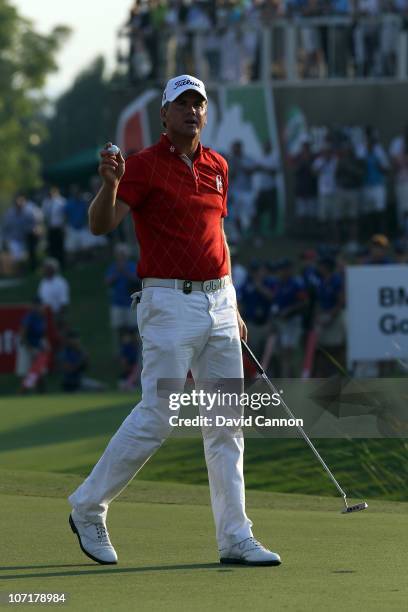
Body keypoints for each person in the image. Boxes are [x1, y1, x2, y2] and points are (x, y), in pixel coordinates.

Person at [68, 75, 281, 567]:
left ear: (206, 113)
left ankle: (235, 537)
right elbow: (101, 225)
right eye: (181, 103)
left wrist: (234, 304)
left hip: (219, 302)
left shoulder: (218, 167)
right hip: (168, 303)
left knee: (226, 424)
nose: (191, 110)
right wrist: (110, 185)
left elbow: (219, 235)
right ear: (163, 115)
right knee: (159, 415)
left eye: (198, 104)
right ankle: (87, 506)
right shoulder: (140, 167)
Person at [37, 258, 70, 324]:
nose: (45, 270)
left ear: (53, 269)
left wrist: (60, 316)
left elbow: (64, 301)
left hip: (56, 314)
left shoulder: (61, 282)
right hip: (44, 315)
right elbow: (39, 298)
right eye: (44, 268)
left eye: (47, 268)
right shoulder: (43, 283)